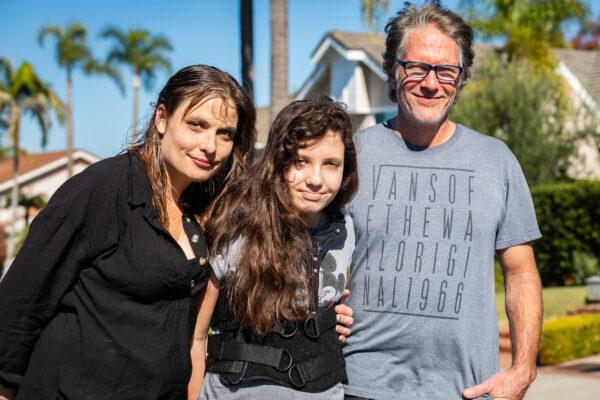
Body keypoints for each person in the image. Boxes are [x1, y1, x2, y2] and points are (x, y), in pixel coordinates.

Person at [0, 64, 256, 400]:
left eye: (225, 133)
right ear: (162, 119)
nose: (211, 145)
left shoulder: (205, 208)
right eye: (197, 125)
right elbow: (21, 302)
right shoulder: (104, 188)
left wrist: (324, 311)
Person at [342, 2, 542, 400]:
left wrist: (522, 371)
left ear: (461, 78)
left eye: (446, 71)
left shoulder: (496, 160)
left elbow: (521, 273)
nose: (430, 83)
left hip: (465, 390)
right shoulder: (350, 156)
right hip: (360, 385)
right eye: (416, 67)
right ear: (390, 69)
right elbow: (303, 256)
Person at [189, 97, 359, 399]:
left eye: (331, 164)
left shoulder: (344, 226)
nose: (316, 180)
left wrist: (333, 318)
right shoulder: (239, 224)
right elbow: (198, 334)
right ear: (279, 163)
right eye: (300, 162)